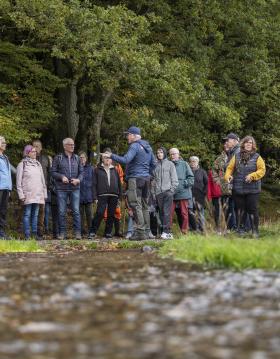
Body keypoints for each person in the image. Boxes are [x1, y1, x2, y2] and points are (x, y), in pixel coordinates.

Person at [103, 126, 156, 241]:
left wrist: (111, 155)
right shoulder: (148, 147)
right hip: (146, 179)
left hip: (135, 179)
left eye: (128, 134)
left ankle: (140, 232)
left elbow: (125, 160)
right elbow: (154, 163)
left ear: (133, 135)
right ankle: (146, 231)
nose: (127, 137)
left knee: (135, 205)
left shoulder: (135, 146)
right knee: (145, 206)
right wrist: (148, 174)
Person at [225, 136, 266, 238]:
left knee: (252, 209)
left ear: (253, 145)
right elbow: (230, 168)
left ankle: (255, 231)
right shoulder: (237, 156)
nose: (248, 144)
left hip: (253, 189)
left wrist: (252, 176)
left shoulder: (257, 157)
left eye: (250, 143)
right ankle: (241, 230)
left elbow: (262, 170)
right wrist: (228, 176)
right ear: (243, 144)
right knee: (240, 210)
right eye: (247, 142)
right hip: (238, 189)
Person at [51, 138, 83, 240]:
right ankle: (62, 233)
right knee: (61, 211)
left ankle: (77, 233)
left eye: (73, 144)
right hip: (61, 188)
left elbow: (82, 172)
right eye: (70, 144)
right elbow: (53, 172)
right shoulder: (58, 158)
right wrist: (61, 177)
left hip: (75, 188)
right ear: (65, 146)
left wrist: (78, 180)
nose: (72, 146)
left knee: (76, 211)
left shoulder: (77, 158)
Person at [89, 151, 122, 239]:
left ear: (111, 160)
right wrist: (95, 197)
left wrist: (120, 196)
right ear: (102, 159)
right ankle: (92, 232)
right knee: (99, 213)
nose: (107, 159)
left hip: (114, 195)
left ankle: (108, 232)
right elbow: (94, 184)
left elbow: (119, 183)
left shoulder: (115, 169)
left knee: (111, 214)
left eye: (109, 157)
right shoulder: (97, 169)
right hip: (102, 195)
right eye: (105, 158)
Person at [16, 145, 47, 239]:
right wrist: (20, 194)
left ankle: (34, 234)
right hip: (28, 194)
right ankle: (27, 235)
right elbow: (18, 181)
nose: (35, 153)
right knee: (27, 214)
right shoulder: (22, 164)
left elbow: (42, 180)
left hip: (38, 194)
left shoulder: (38, 164)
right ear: (27, 153)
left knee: (36, 214)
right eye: (33, 151)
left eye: (35, 151)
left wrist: (44, 193)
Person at [153, 147, 178, 239]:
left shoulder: (170, 164)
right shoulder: (155, 166)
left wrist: (171, 190)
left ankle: (166, 232)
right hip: (158, 193)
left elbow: (174, 178)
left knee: (166, 212)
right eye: (158, 152)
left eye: (161, 152)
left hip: (168, 192)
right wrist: (154, 192)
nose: (159, 154)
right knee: (161, 213)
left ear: (164, 153)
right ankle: (166, 232)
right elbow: (154, 180)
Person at [169, 148, 194, 235]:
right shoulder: (168, 164)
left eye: (174, 154)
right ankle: (168, 232)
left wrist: (184, 183)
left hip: (183, 192)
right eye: (171, 154)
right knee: (169, 213)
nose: (172, 156)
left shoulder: (184, 164)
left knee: (184, 213)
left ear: (178, 154)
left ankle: (185, 231)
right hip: (171, 192)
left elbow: (191, 178)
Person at [32, 140, 52, 238]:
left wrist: (48, 186)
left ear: (41, 148)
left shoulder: (45, 159)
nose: (36, 148)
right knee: (32, 211)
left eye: (38, 146)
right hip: (32, 189)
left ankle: (40, 231)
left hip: (43, 188)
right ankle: (33, 231)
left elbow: (49, 173)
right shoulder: (28, 159)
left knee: (42, 211)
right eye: (34, 146)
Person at [189, 156, 208, 233]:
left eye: (194, 161)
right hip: (189, 195)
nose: (192, 163)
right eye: (191, 161)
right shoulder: (188, 171)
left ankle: (202, 228)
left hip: (200, 195)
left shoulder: (202, 171)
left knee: (200, 212)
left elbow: (206, 183)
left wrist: (204, 192)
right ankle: (193, 228)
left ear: (198, 162)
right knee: (191, 212)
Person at [79, 151, 94, 236]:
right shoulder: (77, 168)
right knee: (80, 216)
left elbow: (94, 182)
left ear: (86, 158)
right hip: (79, 195)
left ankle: (91, 232)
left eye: (83, 157)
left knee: (90, 215)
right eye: (80, 158)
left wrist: (94, 195)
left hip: (89, 195)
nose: (82, 159)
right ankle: (81, 232)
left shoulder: (90, 168)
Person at [0, 136, 12, 239]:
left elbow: (8, 173)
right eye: (2, 142)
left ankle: (2, 234)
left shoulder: (6, 158)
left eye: (5, 142)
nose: (5, 144)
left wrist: (9, 188)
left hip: (5, 188)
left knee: (3, 211)